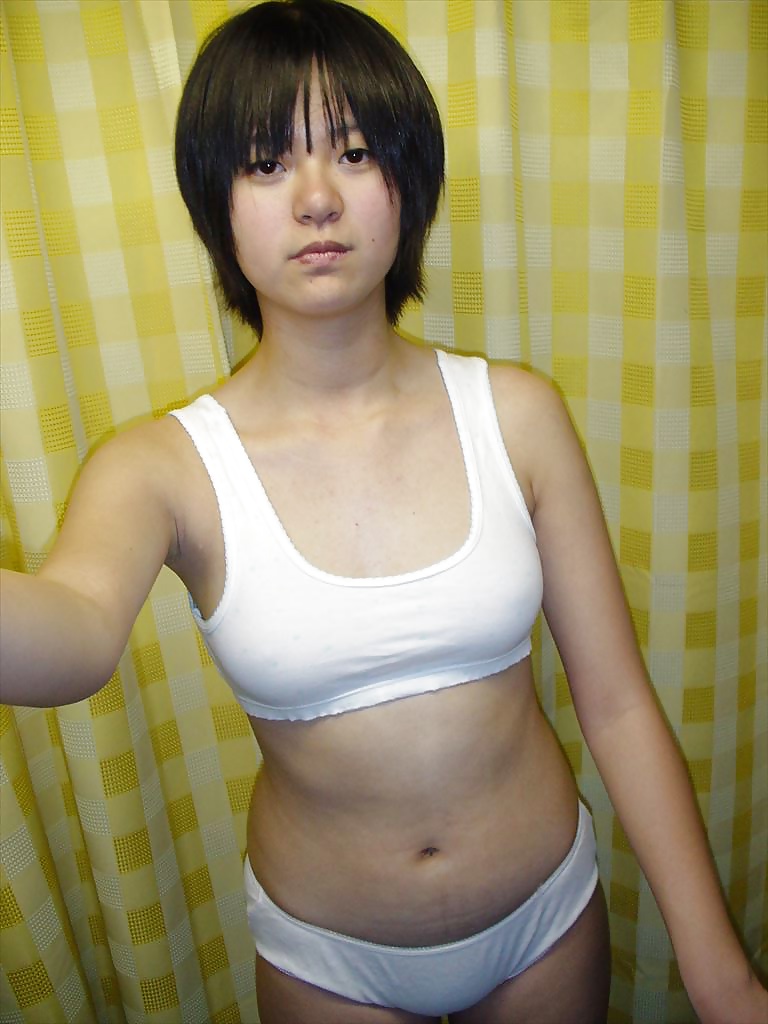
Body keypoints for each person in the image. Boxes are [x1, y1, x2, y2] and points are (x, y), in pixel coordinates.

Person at [1, 1, 766, 1022]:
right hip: (331, 964)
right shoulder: (162, 467)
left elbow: (618, 704)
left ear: (409, 182)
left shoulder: (517, 415)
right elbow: (74, 633)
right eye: (266, 163)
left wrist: (721, 976)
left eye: (355, 152)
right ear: (216, 203)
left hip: (546, 922)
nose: (317, 198)